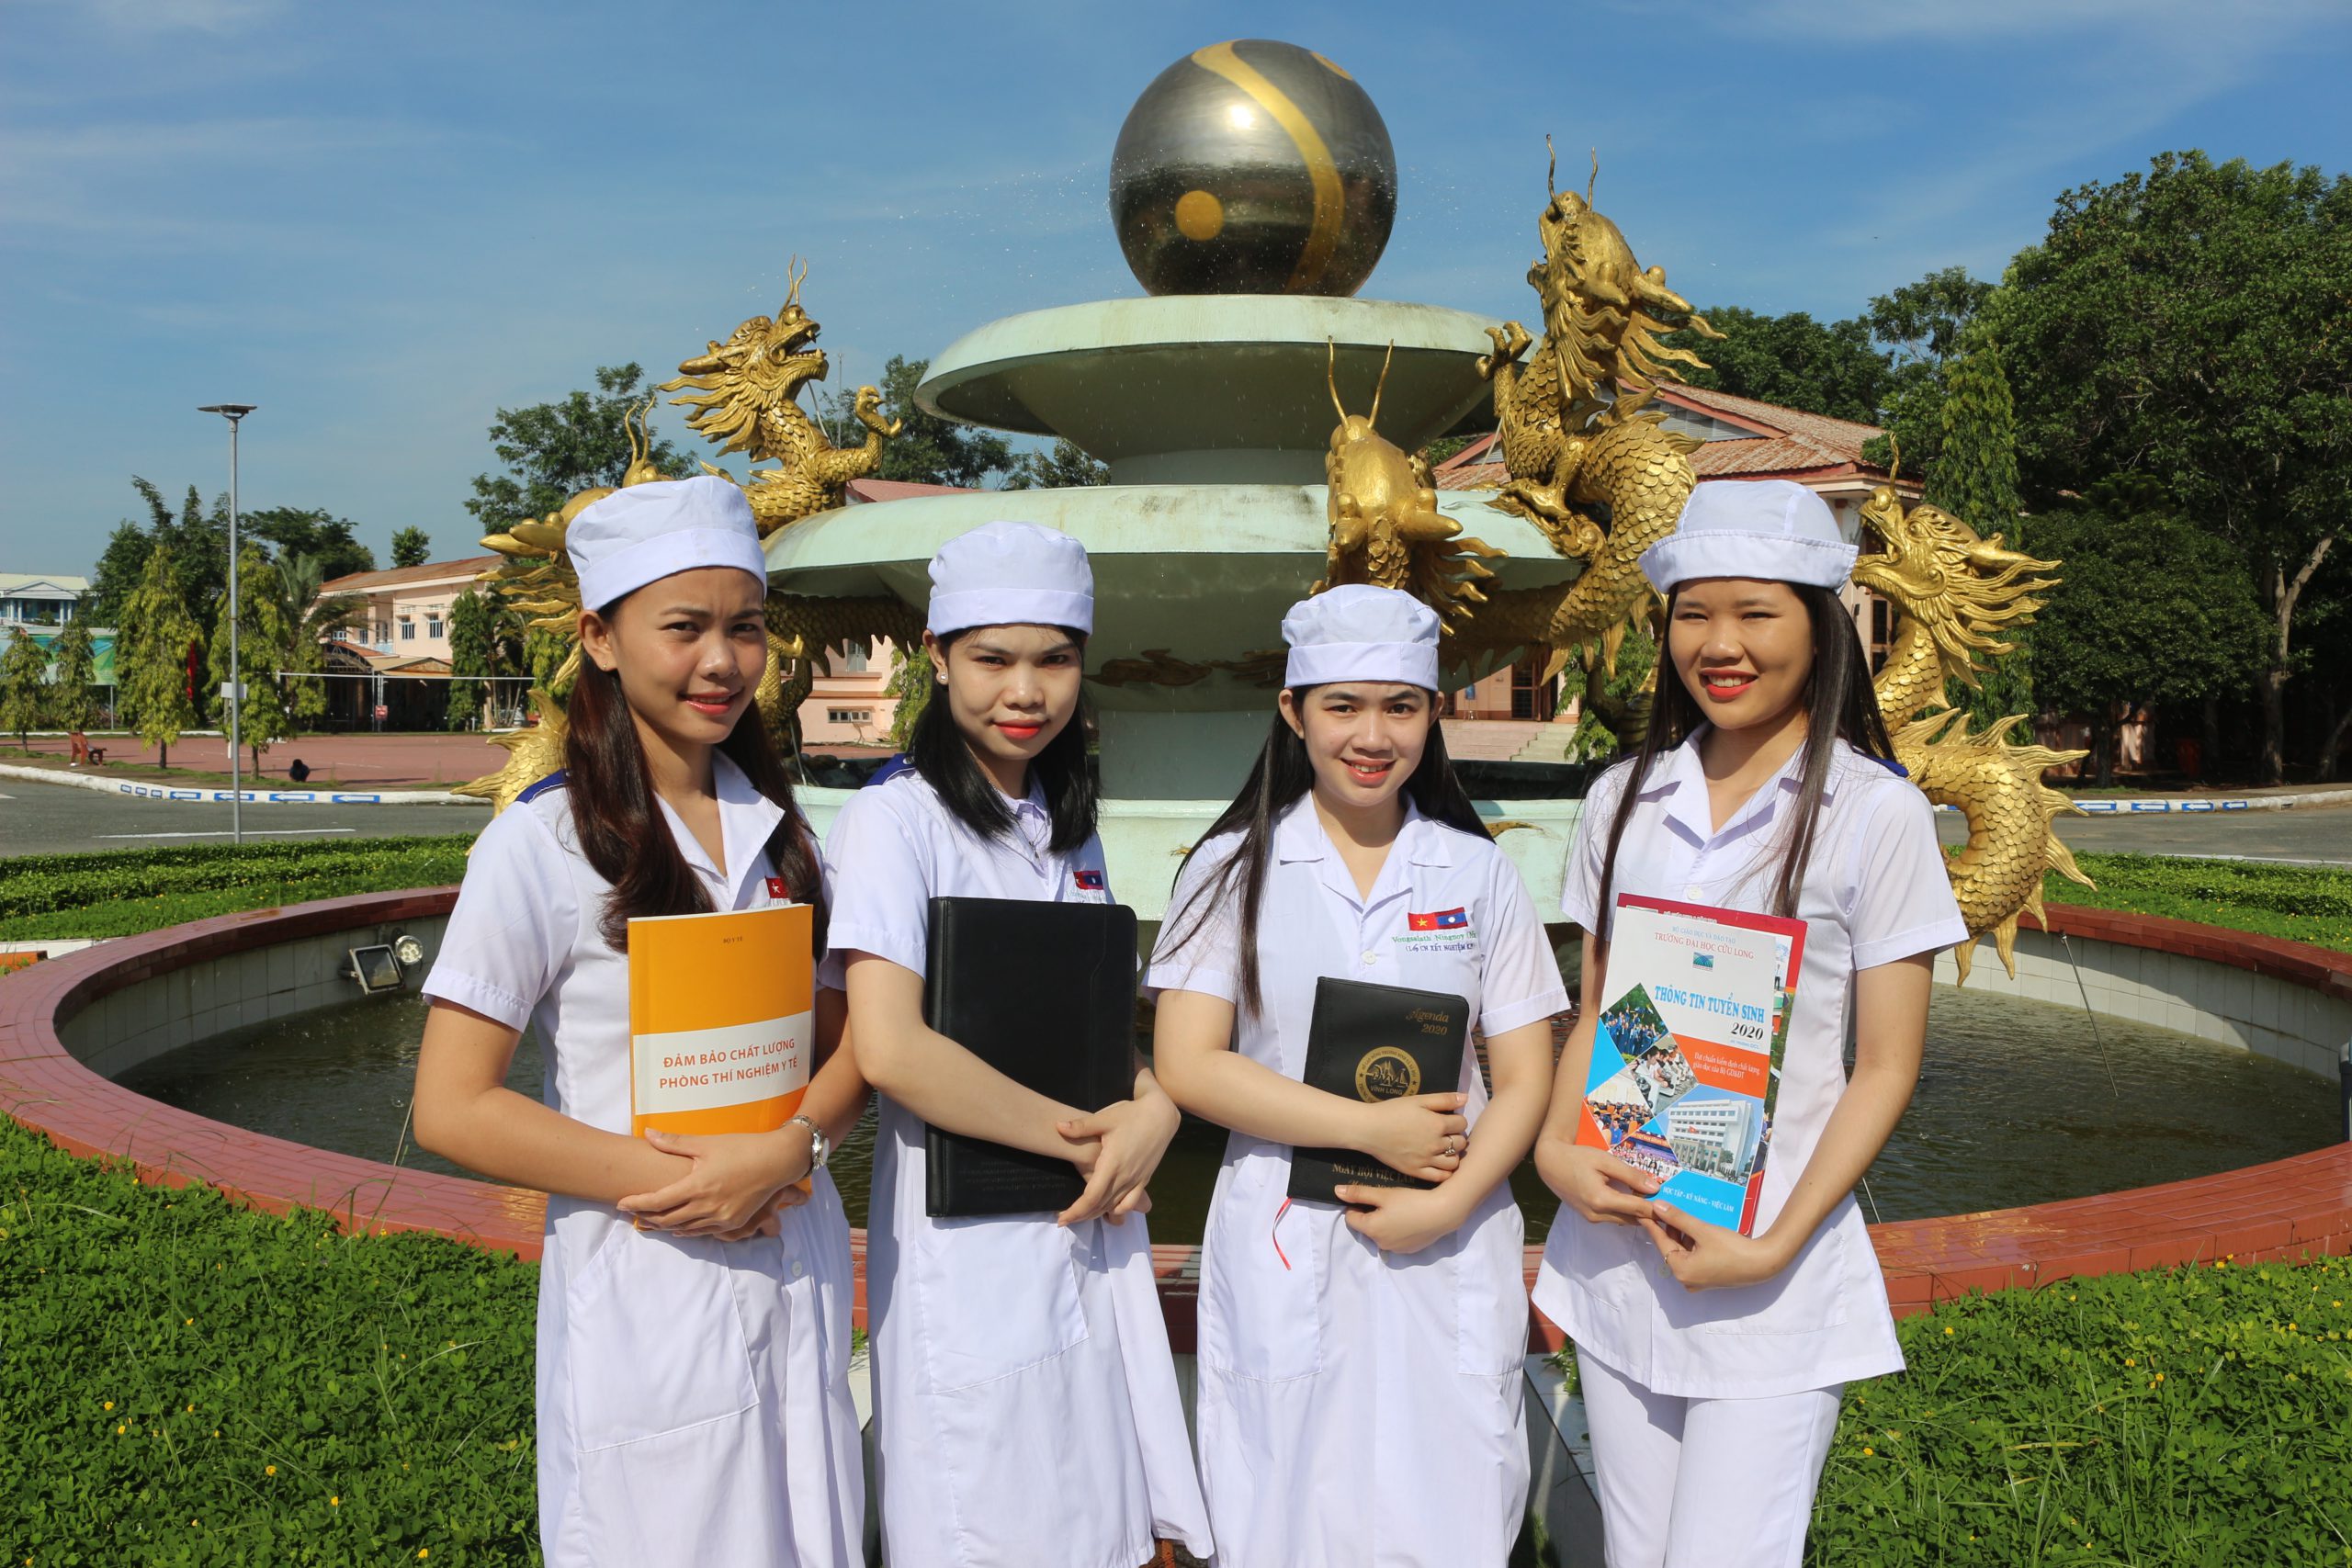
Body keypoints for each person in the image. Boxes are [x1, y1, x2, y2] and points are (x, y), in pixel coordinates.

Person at [410, 476, 866, 1567]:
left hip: (793, 1242)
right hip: (648, 1267)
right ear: (600, 639)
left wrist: (791, 1148)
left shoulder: (791, 836)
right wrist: (695, 1184)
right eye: (684, 628)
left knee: (809, 1527)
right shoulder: (542, 844)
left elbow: (853, 1040)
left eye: (745, 628)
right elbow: (452, 1106)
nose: (723, 661)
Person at [1531, 479, 1968, 1568]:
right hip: (1619, 1242)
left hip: (1768, 1266)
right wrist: (1551, 1151)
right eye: (1693, 614)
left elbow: (1884, 1067)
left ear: (1819, 630)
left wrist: (1771, 1244)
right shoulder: (1622, 797)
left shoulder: (1875, 813)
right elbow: (1600, 1006)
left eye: (1755, 614)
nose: (1718, 645)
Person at [1148, 585, 1568, 1567]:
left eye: (1400, 707)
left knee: (1449, 1494)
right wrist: (1370, 1128)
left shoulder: (1477, 873)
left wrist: (1450, 1201)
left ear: (1433, 714)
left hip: (1450, 1230)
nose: (1372, 736)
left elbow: (1524, 1076)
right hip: (1287, 1229)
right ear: (1293, 712)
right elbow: (1188, 1062)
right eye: (1342, 706)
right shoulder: (1231, 868)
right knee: (1284, 1497)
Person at [823, 521, 1213, 1568]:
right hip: (970, 1236)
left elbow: (1093, 1022)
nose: (1026, 691)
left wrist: (1155, 1105)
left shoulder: (1066, 820)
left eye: (1056, 660)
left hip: (1080, 1213)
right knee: (991, 1507)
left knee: (1094, 1497)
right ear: (937, 656)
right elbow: (891, 1048)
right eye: (993, 659)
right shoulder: (895, 821)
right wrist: (1096, 1141)